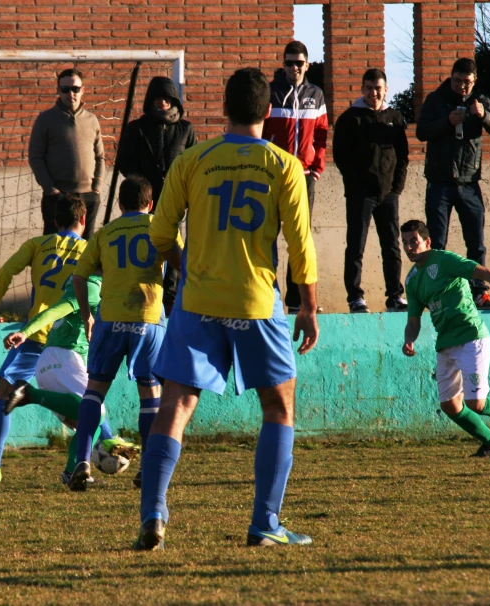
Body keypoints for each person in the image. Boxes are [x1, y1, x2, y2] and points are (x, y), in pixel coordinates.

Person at [135, 67, 319, 550]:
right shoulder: (284, 165)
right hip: (257, 302)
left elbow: (158, 234)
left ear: (224, 108)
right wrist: (309, 306)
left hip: (196, 303)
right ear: (268, 113)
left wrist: (188, 267)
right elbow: (300, 245)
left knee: (176, 402)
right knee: (278, 405)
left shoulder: (193, 159)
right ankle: (265, 523)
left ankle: (153, 512)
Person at [0, 195, 87, 482]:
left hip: (35, 336)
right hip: (72, 340)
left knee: (3, 395)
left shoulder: (38, 244)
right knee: (78, 404)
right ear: (83, 219)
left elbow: (8, 270)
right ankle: (102, 446)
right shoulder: (91, 250)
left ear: (55, 222)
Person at [65, 175, 172, 492]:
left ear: (120, 204)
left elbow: (79, 276)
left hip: (109, 319)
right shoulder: (160, 227)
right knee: (149, 395)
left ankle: (83, 460)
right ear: (150, 203)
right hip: (148, 319)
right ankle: (149, 468)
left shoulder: (105, 232)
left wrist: (87, 315)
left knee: (94, 392)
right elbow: (184, 264)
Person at [400, 219, 490, 457]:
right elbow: (413, 321)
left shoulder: (444, 260)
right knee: (450, 405)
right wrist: (408, 339)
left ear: (427, 241)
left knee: (476, 404)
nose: (410, 247)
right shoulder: (412, 280)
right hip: (445, 343)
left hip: (472, 337)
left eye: (414, 241)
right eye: (405, 243)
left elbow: (488, 274)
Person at [2, 273, 138, 486]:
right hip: (63, 357)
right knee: (93, 412)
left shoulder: (99, 286)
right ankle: (30, 393)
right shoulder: (91, 286)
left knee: (86, 422)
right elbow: (55, 310)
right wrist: (25, 332)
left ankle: (71, 472)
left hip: (57, 361)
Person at [416, 58, 490, 311]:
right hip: (440, 182)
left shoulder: (480, 100)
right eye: (457, 81)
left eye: (466, 82)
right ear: (451, 77)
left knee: (476, 242)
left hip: (469, 182)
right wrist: (447, 122)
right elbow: (422, 131)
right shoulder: (436, 99)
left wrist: (483, 115)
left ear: (474, 81)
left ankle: (478, 293)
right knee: (437, 243)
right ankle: (438, 293)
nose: (461, 86)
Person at [116, 76, 197, 315]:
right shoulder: (137, 129)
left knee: (173, 242)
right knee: (144, 242)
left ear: (174, 100)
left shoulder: (185, 129)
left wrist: (183, 187)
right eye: (157, 98)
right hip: (143, 200)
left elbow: (193, 162)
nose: (162, 102)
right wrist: (142, 185)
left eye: (166, 97)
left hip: (174, 196)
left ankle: (169, 296)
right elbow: (125, 162)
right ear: (150, 100)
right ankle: (141, 290)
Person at [333, 68, 409, 313]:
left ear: (386, 90)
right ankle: (355, 297)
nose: (373, 92)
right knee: (356, 246)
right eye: (369, 87)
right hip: (360, 195)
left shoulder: (395, 118)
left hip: (388, 195)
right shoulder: (350, 118)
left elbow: (402, 156)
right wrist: (355, 185)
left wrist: (396, 189)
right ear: (362, 89)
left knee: (391, 246)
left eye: (378, 88)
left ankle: (395, 296)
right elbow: (340, 157)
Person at [263, 40, 327, 314]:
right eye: (288, 63)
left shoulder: (317, 94)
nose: (293, 68)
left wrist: (316, 169)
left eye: (298, 63)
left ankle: (295, 299)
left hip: (303, 176)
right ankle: (269, 293)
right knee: (267, 235)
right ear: (283, 65)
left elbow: (322, 133)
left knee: (299, 237)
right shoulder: (271, 92)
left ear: (307, 65)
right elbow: (261, 131)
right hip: (272, 177)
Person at [29, 68, 105, 239]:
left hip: (88, 196)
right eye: (65, 89)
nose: (71, 93)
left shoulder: (92, 120)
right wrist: (51, 189)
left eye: (75, 89)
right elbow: (36, 157)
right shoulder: (45, 119)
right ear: (58, 90)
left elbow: (100, 156)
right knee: (54, 245)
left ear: (82, 90)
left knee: (85, 248)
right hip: (58, 197)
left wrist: (96, 189)